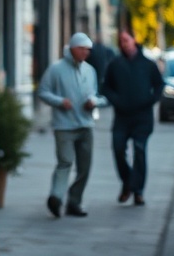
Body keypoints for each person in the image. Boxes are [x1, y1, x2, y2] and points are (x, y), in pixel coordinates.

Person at [37, 31, 105, 218]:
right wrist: (60, 101)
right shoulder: (56, 69)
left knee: (85, 167)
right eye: (82, 49)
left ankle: (74, 202)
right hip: (64, 126)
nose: (86, 53)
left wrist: (93, 101)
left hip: (86, 124)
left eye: (88, 50)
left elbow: (95, 94)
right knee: (65, 162)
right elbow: (43, 92)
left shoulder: (89, 70)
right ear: (73, 49)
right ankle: (56, 198)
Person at [100, 28, 165, 206]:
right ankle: (128, 183)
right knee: (118, 149)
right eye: (121, 41)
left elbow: (159, 86)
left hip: (142, 117)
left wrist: (150, 101)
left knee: (140, 151)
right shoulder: (115, 64)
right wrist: (116, 100)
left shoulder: (148, 64)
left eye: (126, 40)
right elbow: (106, 87)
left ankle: (138, 191)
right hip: (121, 118)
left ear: (134, 40)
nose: (124, 44)